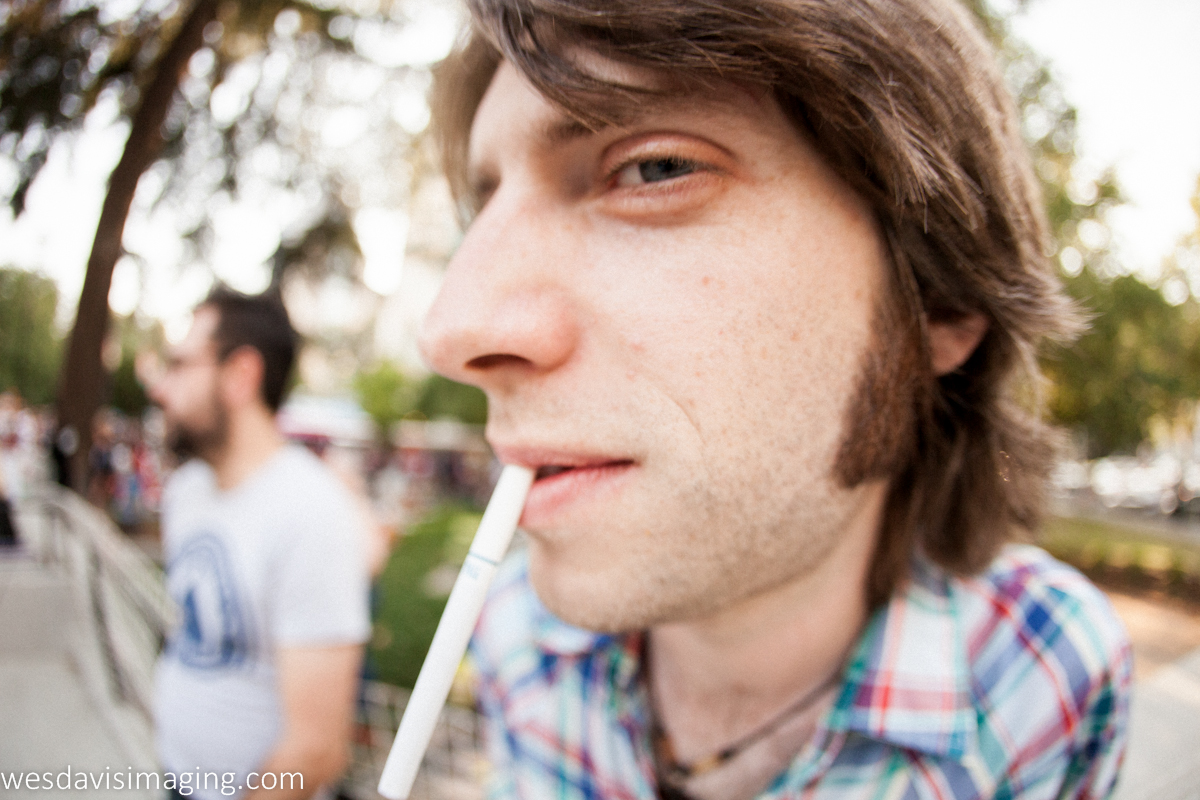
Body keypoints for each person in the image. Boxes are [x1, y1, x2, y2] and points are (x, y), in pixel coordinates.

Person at [416, 1, 1134, 798]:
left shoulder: (1041, 679)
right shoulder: (514, 634)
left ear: (940, 302)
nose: (451, 329)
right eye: (483, 205)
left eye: (657, 168)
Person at [150, 287, 371, 800]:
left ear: (241, 375)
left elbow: (316, 749)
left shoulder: (312, 513)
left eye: (179, 365)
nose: (160, 389)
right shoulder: (186, 491)